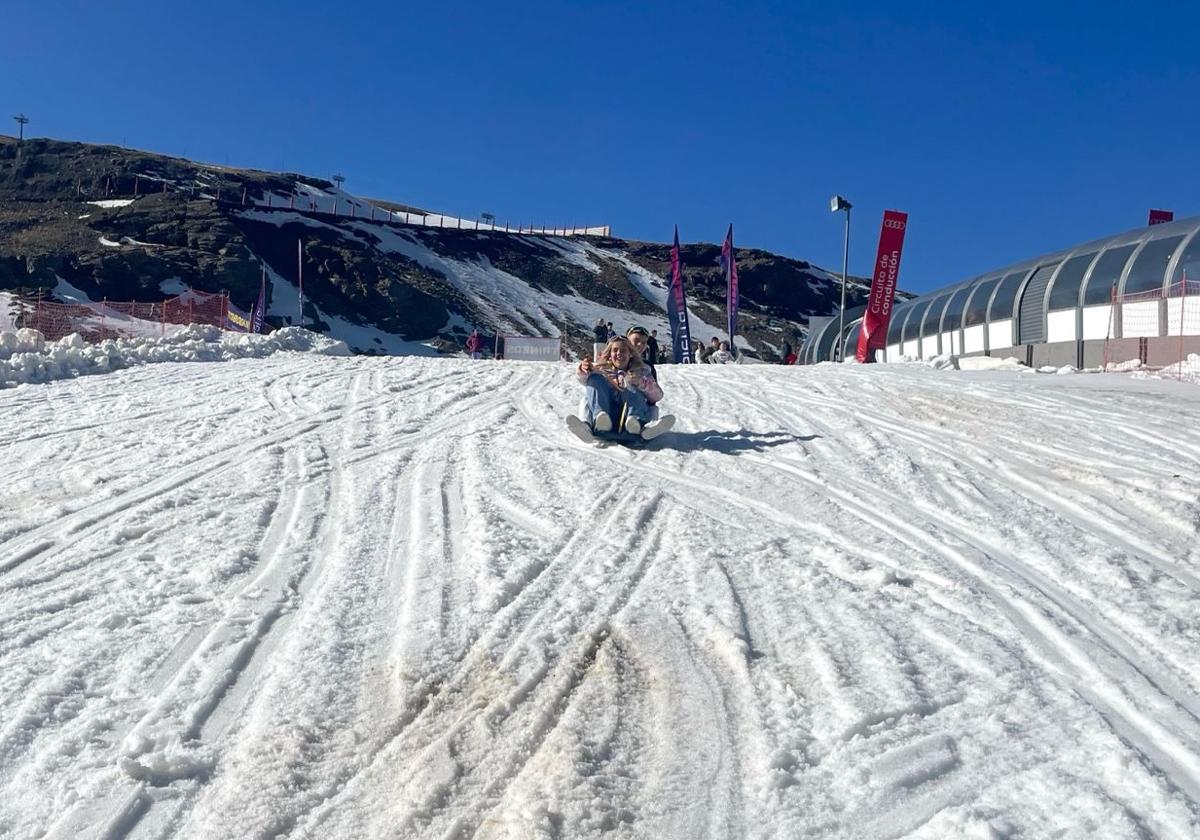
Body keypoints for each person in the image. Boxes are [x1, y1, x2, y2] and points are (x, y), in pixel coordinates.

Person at [572, 336, 672, 440]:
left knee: (646, 400)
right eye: (615, 350)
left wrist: (641, 383)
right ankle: (592, 422)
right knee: (591, 386)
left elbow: (657, 396)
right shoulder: (601, 370)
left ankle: (643, 427)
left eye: (623, 350)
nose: (619, 353)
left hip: (631, 417)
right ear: (610, 354)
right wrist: (584, 370)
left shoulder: (642, 371)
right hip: (607, 415)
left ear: (630, 354)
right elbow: (583, 379)